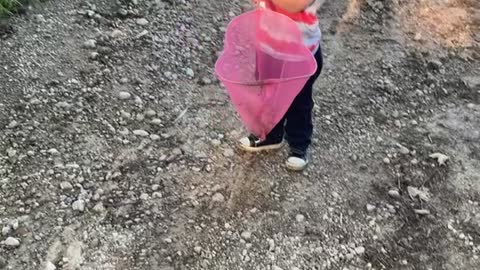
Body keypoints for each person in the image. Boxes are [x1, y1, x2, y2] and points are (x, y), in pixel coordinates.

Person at [239, 0, 324, 171]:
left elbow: (293, 5)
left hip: (300, 54)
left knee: (298, 100)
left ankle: (299, 144)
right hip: (269, 45)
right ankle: (271, 135)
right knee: (269, 95)